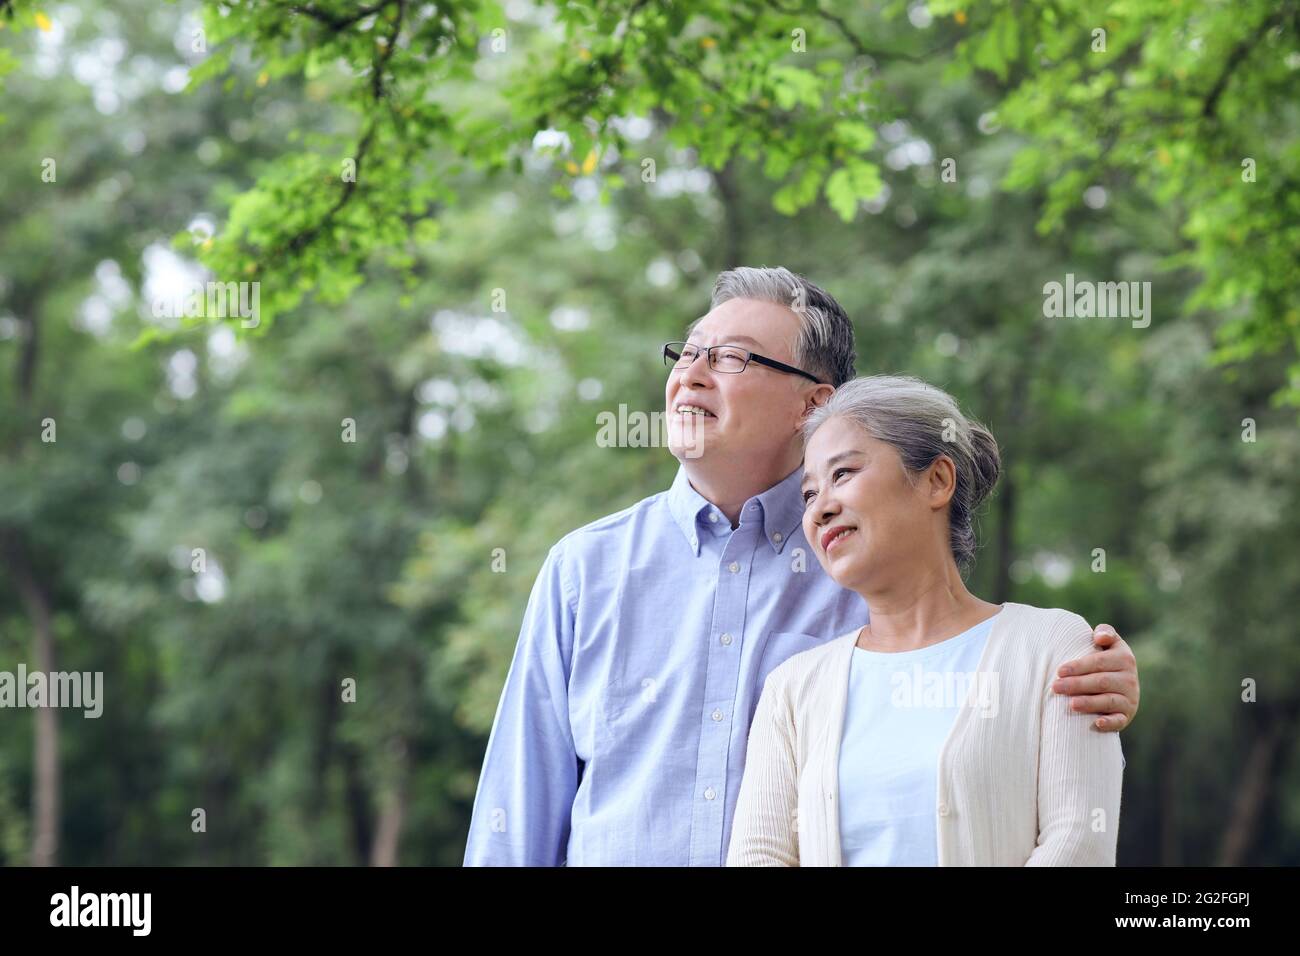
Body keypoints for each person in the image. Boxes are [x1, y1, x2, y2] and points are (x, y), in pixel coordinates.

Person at [464, 267, 1138, 866]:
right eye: (686, 353)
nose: (689, 374)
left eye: (729, 358)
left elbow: (984, 687)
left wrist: (1089, 672)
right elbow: (515, 813)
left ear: (814, 404)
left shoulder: (869, 561)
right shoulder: (584, 570)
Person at [727, 375, 1124, 866]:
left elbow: (1079, 842)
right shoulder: (792, 687)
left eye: (843, 474)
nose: (820, 509)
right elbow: (758, 857)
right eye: (808, 495)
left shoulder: (1054, 647)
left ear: (937, 480)